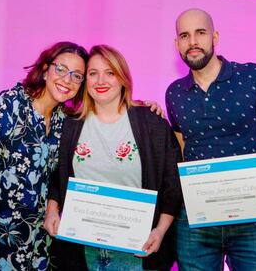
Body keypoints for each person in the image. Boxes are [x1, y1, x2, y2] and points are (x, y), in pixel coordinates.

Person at [165, 8, 256, 271]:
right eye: (184, 35)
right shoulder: (174, 93)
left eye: (200, 33)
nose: (192, 42)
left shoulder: (254, 77)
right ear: (176, 43)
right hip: (195, 220)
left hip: (252, 216)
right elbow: (181, 151)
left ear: (214, 36)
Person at [0, 42, 88, 270]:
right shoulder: (7, 105)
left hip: (35, 238)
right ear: (44, 69)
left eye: (77, 75)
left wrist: (139, 107)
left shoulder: (65, 121)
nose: (67, 80)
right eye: (60, 69)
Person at [44, 44, 182, 270]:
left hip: (136, 249)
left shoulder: (152, 122)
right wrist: (52, 210)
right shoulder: (69, 124)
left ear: (123, 78)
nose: (101, 81)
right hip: (81, 248)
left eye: (110, 73)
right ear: (84, 81)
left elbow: (172, 184)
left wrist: (160, 230)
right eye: (93, 73)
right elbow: (56, 176)